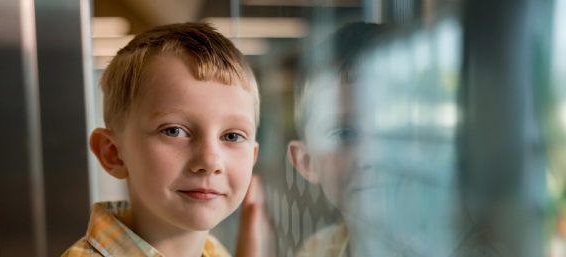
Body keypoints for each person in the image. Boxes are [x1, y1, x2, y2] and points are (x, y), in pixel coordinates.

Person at [287, 22, 508, 257]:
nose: (371, 155)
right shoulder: (319, 250)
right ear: (306, 163)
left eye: (391, 127)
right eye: (344, 134)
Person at [62, 22, 264, 257]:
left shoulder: (214, 251)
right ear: (113, 153)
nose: (210, 161)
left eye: (232, 136)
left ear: (252, 157)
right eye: (173, 131)